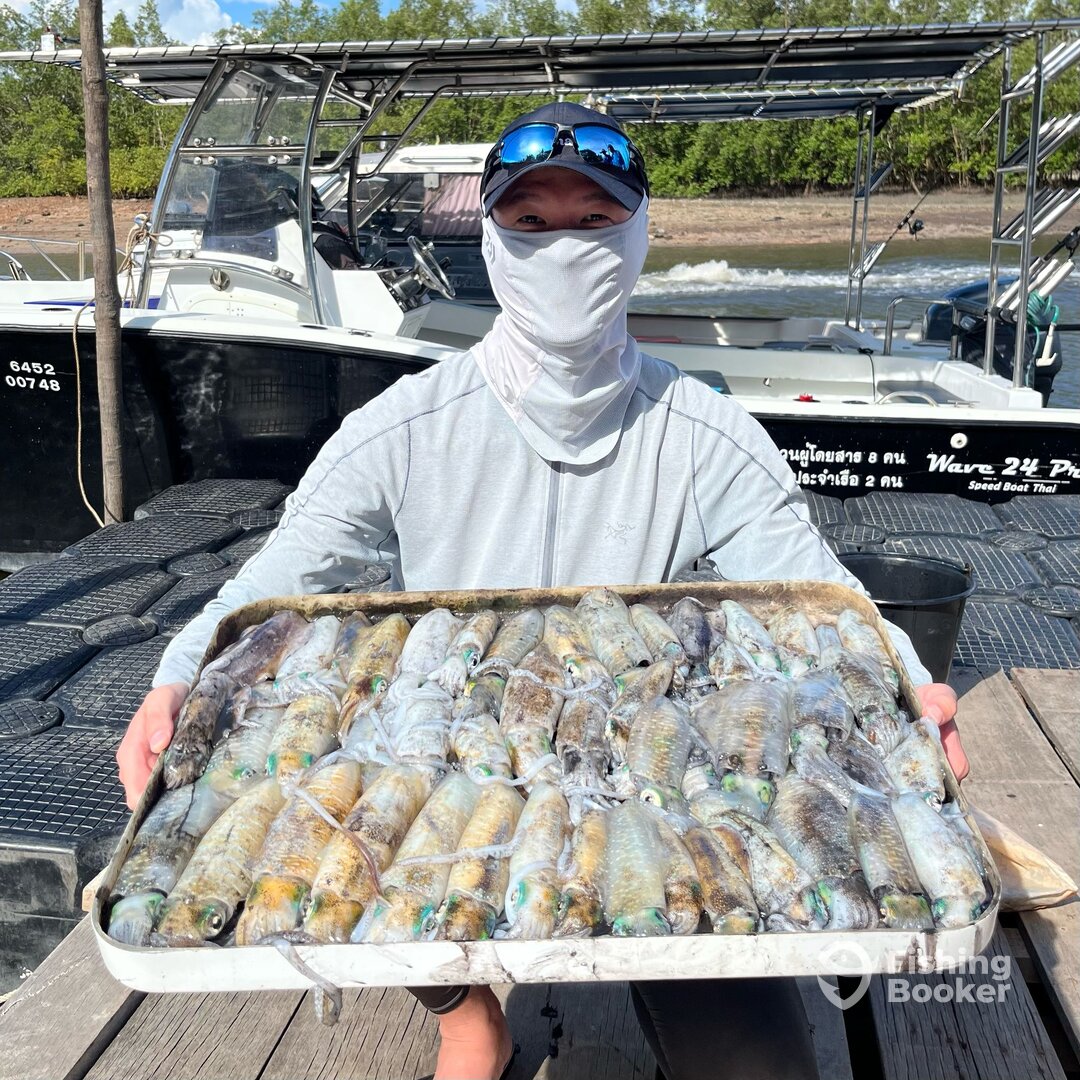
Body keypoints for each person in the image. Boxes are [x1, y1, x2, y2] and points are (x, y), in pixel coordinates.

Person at [118, 101, 967, 1080]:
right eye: (531, 222)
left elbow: (822, 595)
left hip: (655, 774)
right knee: (358, 813)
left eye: (595, 220)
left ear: (638, 237)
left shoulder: (709, 436)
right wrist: (179, 676)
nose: (563, 247)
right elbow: (276, 583)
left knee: (756, 1068)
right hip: (446, 760)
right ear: (491, 241)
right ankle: (464, 1010)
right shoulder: (401, 428)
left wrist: (909, 686)